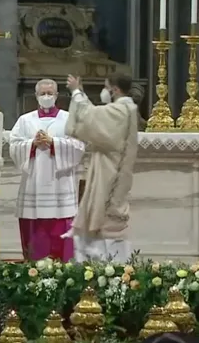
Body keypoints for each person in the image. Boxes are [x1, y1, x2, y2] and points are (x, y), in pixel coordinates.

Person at [62, 72, 138, 262]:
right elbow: (96, 115)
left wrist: (77, 93)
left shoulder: (122, 110)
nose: (104, 91)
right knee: (98, 214)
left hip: (110, 171)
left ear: (115, 89)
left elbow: (89, 117)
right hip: (109, 166)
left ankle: (106, 267)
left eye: (106, 87)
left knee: (105, 214)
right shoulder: (122, 109)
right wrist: (80, 94)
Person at [9, 79, 85, 261]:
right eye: (42, 93)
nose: (46, 97)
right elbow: (14, 146)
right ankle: (33, 267)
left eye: (50, 93)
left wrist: (53, 143)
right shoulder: (25, 120)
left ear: (57, 95)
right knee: (35, 231)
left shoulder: (68, 119)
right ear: (36, 96)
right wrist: (32, 144)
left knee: (60, 227)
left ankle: (62, 269)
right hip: (33, 185)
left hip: (60, 186)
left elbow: (79, 146)